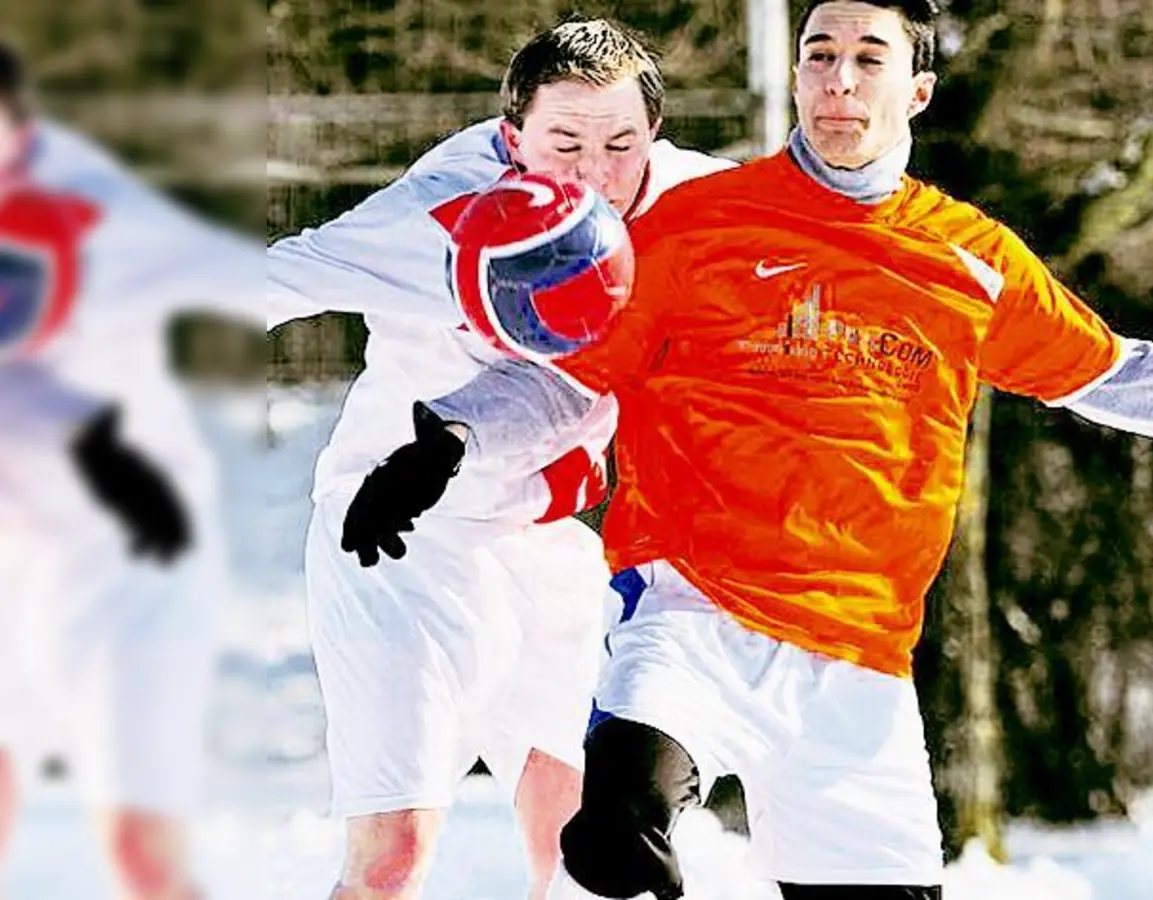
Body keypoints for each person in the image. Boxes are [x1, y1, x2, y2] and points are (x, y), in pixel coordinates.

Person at [351, 2, 1153, 896]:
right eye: (819, 55)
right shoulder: (697, 224)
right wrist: (444, 443)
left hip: (858, 661)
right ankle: (624, 824)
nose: (839, 81)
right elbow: (568, 379)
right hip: (691, 616)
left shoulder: (970, 260)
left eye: (869, 58)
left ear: (916, 89)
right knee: (615, 828)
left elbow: (1116, 373)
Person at [262, 20, 734, 900]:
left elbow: (831, 225)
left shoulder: (683, 201)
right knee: (395, 853)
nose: (593, 173)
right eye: (565, 144)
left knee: (591, 834)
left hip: (546, 536)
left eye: (619, 144)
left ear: (654, 140)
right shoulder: (436, 214)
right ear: (513, 140)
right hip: (398, 533)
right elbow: (273, 281)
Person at [0, 39, 280, 900]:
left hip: (133, 566)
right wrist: (87, 438)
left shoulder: (93, 207)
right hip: (17, 556)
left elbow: (258, 278)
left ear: (18, 128)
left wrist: (434, 279)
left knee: (143, 858)